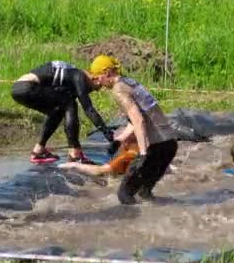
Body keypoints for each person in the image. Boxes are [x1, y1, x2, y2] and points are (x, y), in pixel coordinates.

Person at [88, 55, 177, 205]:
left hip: (154, 147)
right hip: (169, 145)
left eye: (98, 78)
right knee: (144, 193)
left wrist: (143, 153)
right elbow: (137, 118)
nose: (98, 83)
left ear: (107, 73)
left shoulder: (118, 90)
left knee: (124, 195)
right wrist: (120, 140)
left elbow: (138, 120)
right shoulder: (131, 83)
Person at [11, 61, 114, 164]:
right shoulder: (79, 76)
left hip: (19, 89)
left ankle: (38, 151)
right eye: (97, 86)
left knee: (57, 110)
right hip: (26, 86)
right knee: (69, 103)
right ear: (94, 78)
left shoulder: (70, 77)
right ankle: (75, 154)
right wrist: (108, 134)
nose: (93, 90)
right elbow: (88, 109)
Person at [58, 128, 139, 176]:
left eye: (117, 143)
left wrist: (74, 165)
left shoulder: (127, 155)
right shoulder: (137, 147)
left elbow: (100, 170)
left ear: (125, 141)